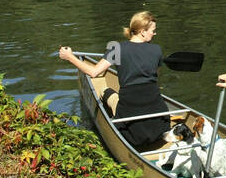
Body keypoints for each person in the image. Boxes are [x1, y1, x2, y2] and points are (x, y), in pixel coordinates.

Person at [59, 11, 168, 151]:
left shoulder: (117, 48)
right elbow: (155, 76)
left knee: (108, 93)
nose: (154, 34)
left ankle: (105, 93)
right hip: (160, 123)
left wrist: (70, 57)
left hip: (131, 129)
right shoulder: (157, 50)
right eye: (153, 31)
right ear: (142, 32)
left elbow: (93, 72)